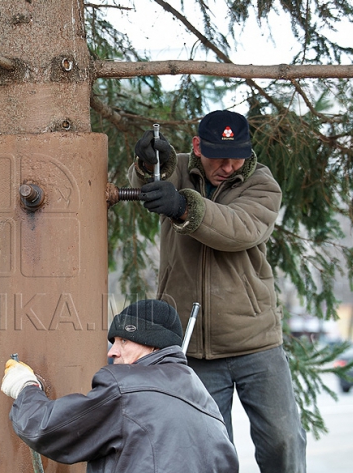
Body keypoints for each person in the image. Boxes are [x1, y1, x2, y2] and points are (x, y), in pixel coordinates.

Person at [129, 110, 306, 472]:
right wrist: (148, 165)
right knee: (210, 448)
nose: (228, 166)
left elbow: (240, 229)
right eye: (218, 158)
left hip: (255, 340)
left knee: (283, 440)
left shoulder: (262, 184)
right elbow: (144, 182)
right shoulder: (177, 168)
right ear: (197, 146)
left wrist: (183, 206)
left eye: (236, 157)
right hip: (194, 345)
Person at [1, 299, 239, 473]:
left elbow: (46, 428)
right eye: (113, 342)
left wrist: (25, 387)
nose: (113, 351)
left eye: (124, 340)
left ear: (155, 346)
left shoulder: (127, 387)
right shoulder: (211, 411)